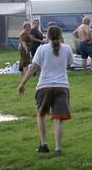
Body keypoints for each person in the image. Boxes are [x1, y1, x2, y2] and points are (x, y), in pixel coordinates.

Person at [17, 25, 74, 155]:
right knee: (58, 119)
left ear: (47, 36)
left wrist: (22, 84)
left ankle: (44, 145)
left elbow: (32, 68)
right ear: (60, 35)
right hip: (62, 87)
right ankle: (58, 148)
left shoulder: (42, 49)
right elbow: (69, 64)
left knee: (41, 115)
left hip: (44, 87)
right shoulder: (66, 48)